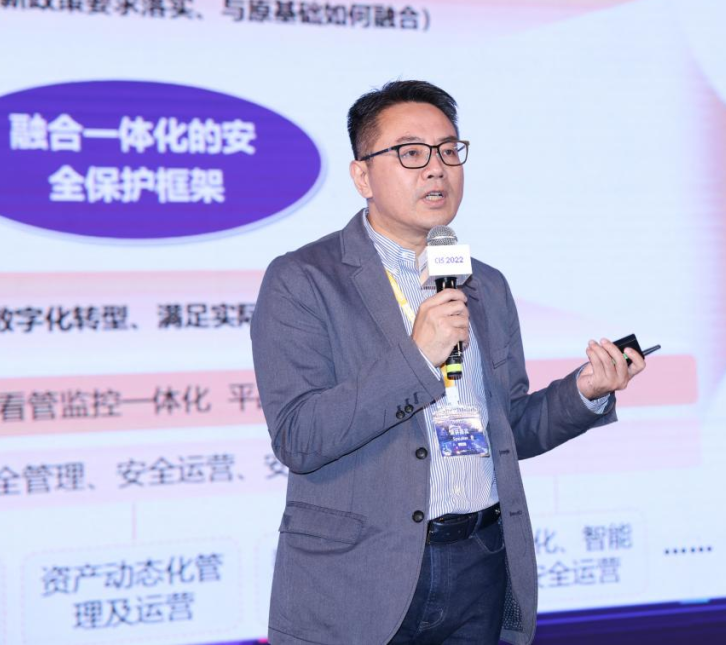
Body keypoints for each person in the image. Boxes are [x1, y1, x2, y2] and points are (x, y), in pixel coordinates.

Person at [251, 80, 646, 645]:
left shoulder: (484, 283)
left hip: (481, 561)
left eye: (448, 150)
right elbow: (300, 437)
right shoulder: (303, 280)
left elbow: (511, 428)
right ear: (362, 176)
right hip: (362, 574)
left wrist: (585, 392)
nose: (436, 168)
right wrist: (418, 357)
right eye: (411, 153)